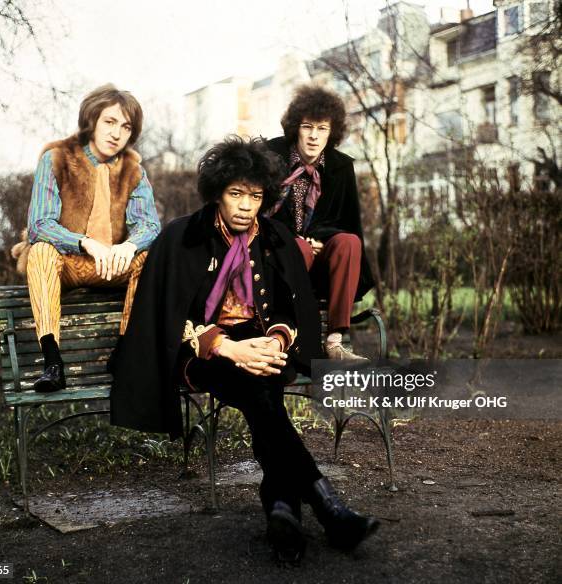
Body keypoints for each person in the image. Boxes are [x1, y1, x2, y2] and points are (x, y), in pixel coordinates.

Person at [110, 136, 378, 563]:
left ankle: (282, 508)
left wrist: (274, 342)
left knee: (262, 393)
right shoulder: (183, 236)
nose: (245, 206)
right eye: (236, 193)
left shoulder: (275, 238)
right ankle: (327, 505)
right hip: (204, 357)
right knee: (259, 391)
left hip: (264, 349)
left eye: (255, 196)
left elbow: (294, 308)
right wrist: (228, 349)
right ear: (218, 192)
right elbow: (163, 314)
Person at [23, 83, 160, 392]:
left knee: (151, 256)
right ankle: (53, 363)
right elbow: (39, 225)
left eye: (126, 127)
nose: (117, 133)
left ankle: (124, 354)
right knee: (40, 251)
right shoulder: (56, 158)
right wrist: (84, 242)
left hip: (112, 265)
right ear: (92, 121)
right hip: (70, 262)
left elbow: (149, 225)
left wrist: (129, 245)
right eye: (109, 122)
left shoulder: (134, 170)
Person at [266, 85, 374, 360]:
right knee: (298, 249)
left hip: (323, 265)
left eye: (322, 129)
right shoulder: (270, 155)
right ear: (296, 128)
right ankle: (294, 336)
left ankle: (336, 340)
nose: (314, 136)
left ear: (332, 132)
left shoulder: (341, 167)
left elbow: (349, 222)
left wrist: (322, 239)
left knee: (350, 242)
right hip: (277, 260)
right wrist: (296, 241)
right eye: (307, 127)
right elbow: (257, 211)